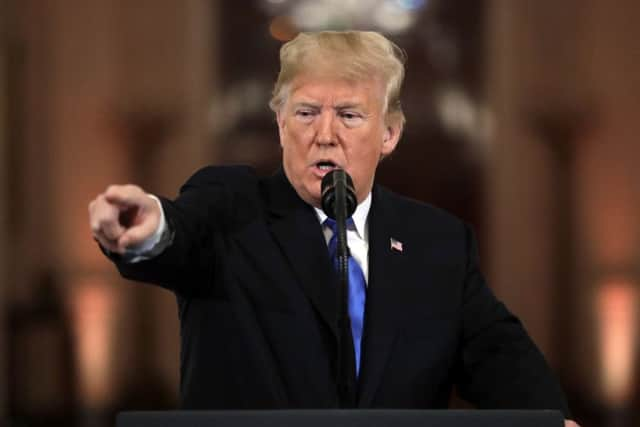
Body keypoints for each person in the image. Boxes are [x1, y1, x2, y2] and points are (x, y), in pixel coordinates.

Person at [89, 31, 578, 426]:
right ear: (281, 123)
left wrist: (554, 421)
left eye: (348, 115)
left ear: (389, 134)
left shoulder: (437, 243)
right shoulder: (232, 208)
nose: (325, 134)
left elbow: (500, 358)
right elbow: (182, 231)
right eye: (306, 113)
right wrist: (150, 227)